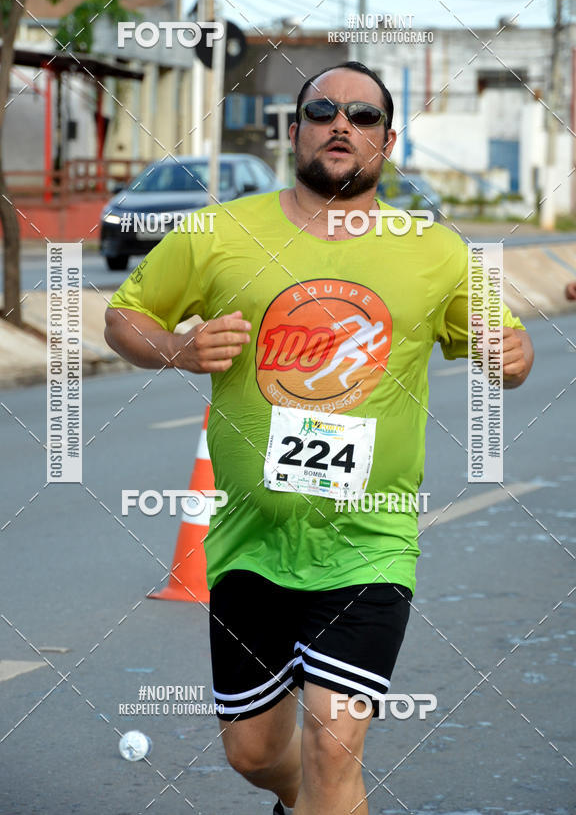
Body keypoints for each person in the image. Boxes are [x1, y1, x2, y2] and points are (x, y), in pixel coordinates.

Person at [105, 61, 534, 815]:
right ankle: (300, 799)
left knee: (335, 742)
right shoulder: (219, 232)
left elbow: (507, 345)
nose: (344, 124)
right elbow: (125, 316)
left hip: (369, 539)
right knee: (254, 754)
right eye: (325, 110)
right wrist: (176, 349)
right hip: (248, 543)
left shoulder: (433, 250)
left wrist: (513, 357)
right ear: (293, 128)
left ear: (387, 141)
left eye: (363, 117)